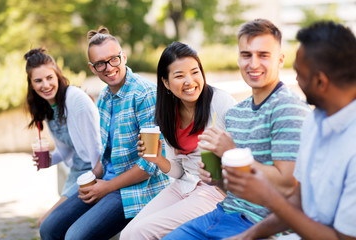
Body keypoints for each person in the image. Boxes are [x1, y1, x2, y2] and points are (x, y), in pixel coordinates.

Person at [162, 19, 310, 240]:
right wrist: (216, 178)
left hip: (265, 226)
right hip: (224, 213)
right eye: (246, 55)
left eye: (263, 55)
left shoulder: (289, 109)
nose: (253, 63)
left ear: (280, 60)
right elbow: (233, 188)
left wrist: (231, 151)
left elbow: (288, 184)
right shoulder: (236, 113)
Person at [224, 21, 356, 240]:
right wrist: (246, 237)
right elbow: (299, 202)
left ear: (320, 81)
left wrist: (268, 197)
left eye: (298, 72)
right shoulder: (315, 121)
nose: (294, 79)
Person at [39, 26, 170, 240]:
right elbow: (106, 154)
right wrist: (92, 179)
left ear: (123, 57)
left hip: (137, 190)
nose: (109, 67)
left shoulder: (145, 95)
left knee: (75, 236)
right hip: (108, 181)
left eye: (113, 59)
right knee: (49, 227)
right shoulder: (105, 96)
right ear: (93, 68)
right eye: (101, 63)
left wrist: (106, 187)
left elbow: (150, 166)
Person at [120, 41, 236, 239]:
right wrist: (158, 159)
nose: (189, 81)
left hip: (215, 188)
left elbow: (246, 153)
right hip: (184, 186)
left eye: (195, 72)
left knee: (142, 232)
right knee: (128, 234)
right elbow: (180, 171)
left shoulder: (221, 103)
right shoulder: (167, 113)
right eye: (179, 76)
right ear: (165, 82)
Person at [24, 48, 101, 226]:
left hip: (93, 173)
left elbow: (97, 147)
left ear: (57, 75)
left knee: (47, 223)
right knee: (50, 225)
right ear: (31, 84)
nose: (45, 85)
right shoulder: (47, 108)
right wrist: (48, 160)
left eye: (49, 78)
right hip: (76, 172)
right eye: (38, 80)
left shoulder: (76, 100)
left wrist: (95, 183)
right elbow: (66, 149)